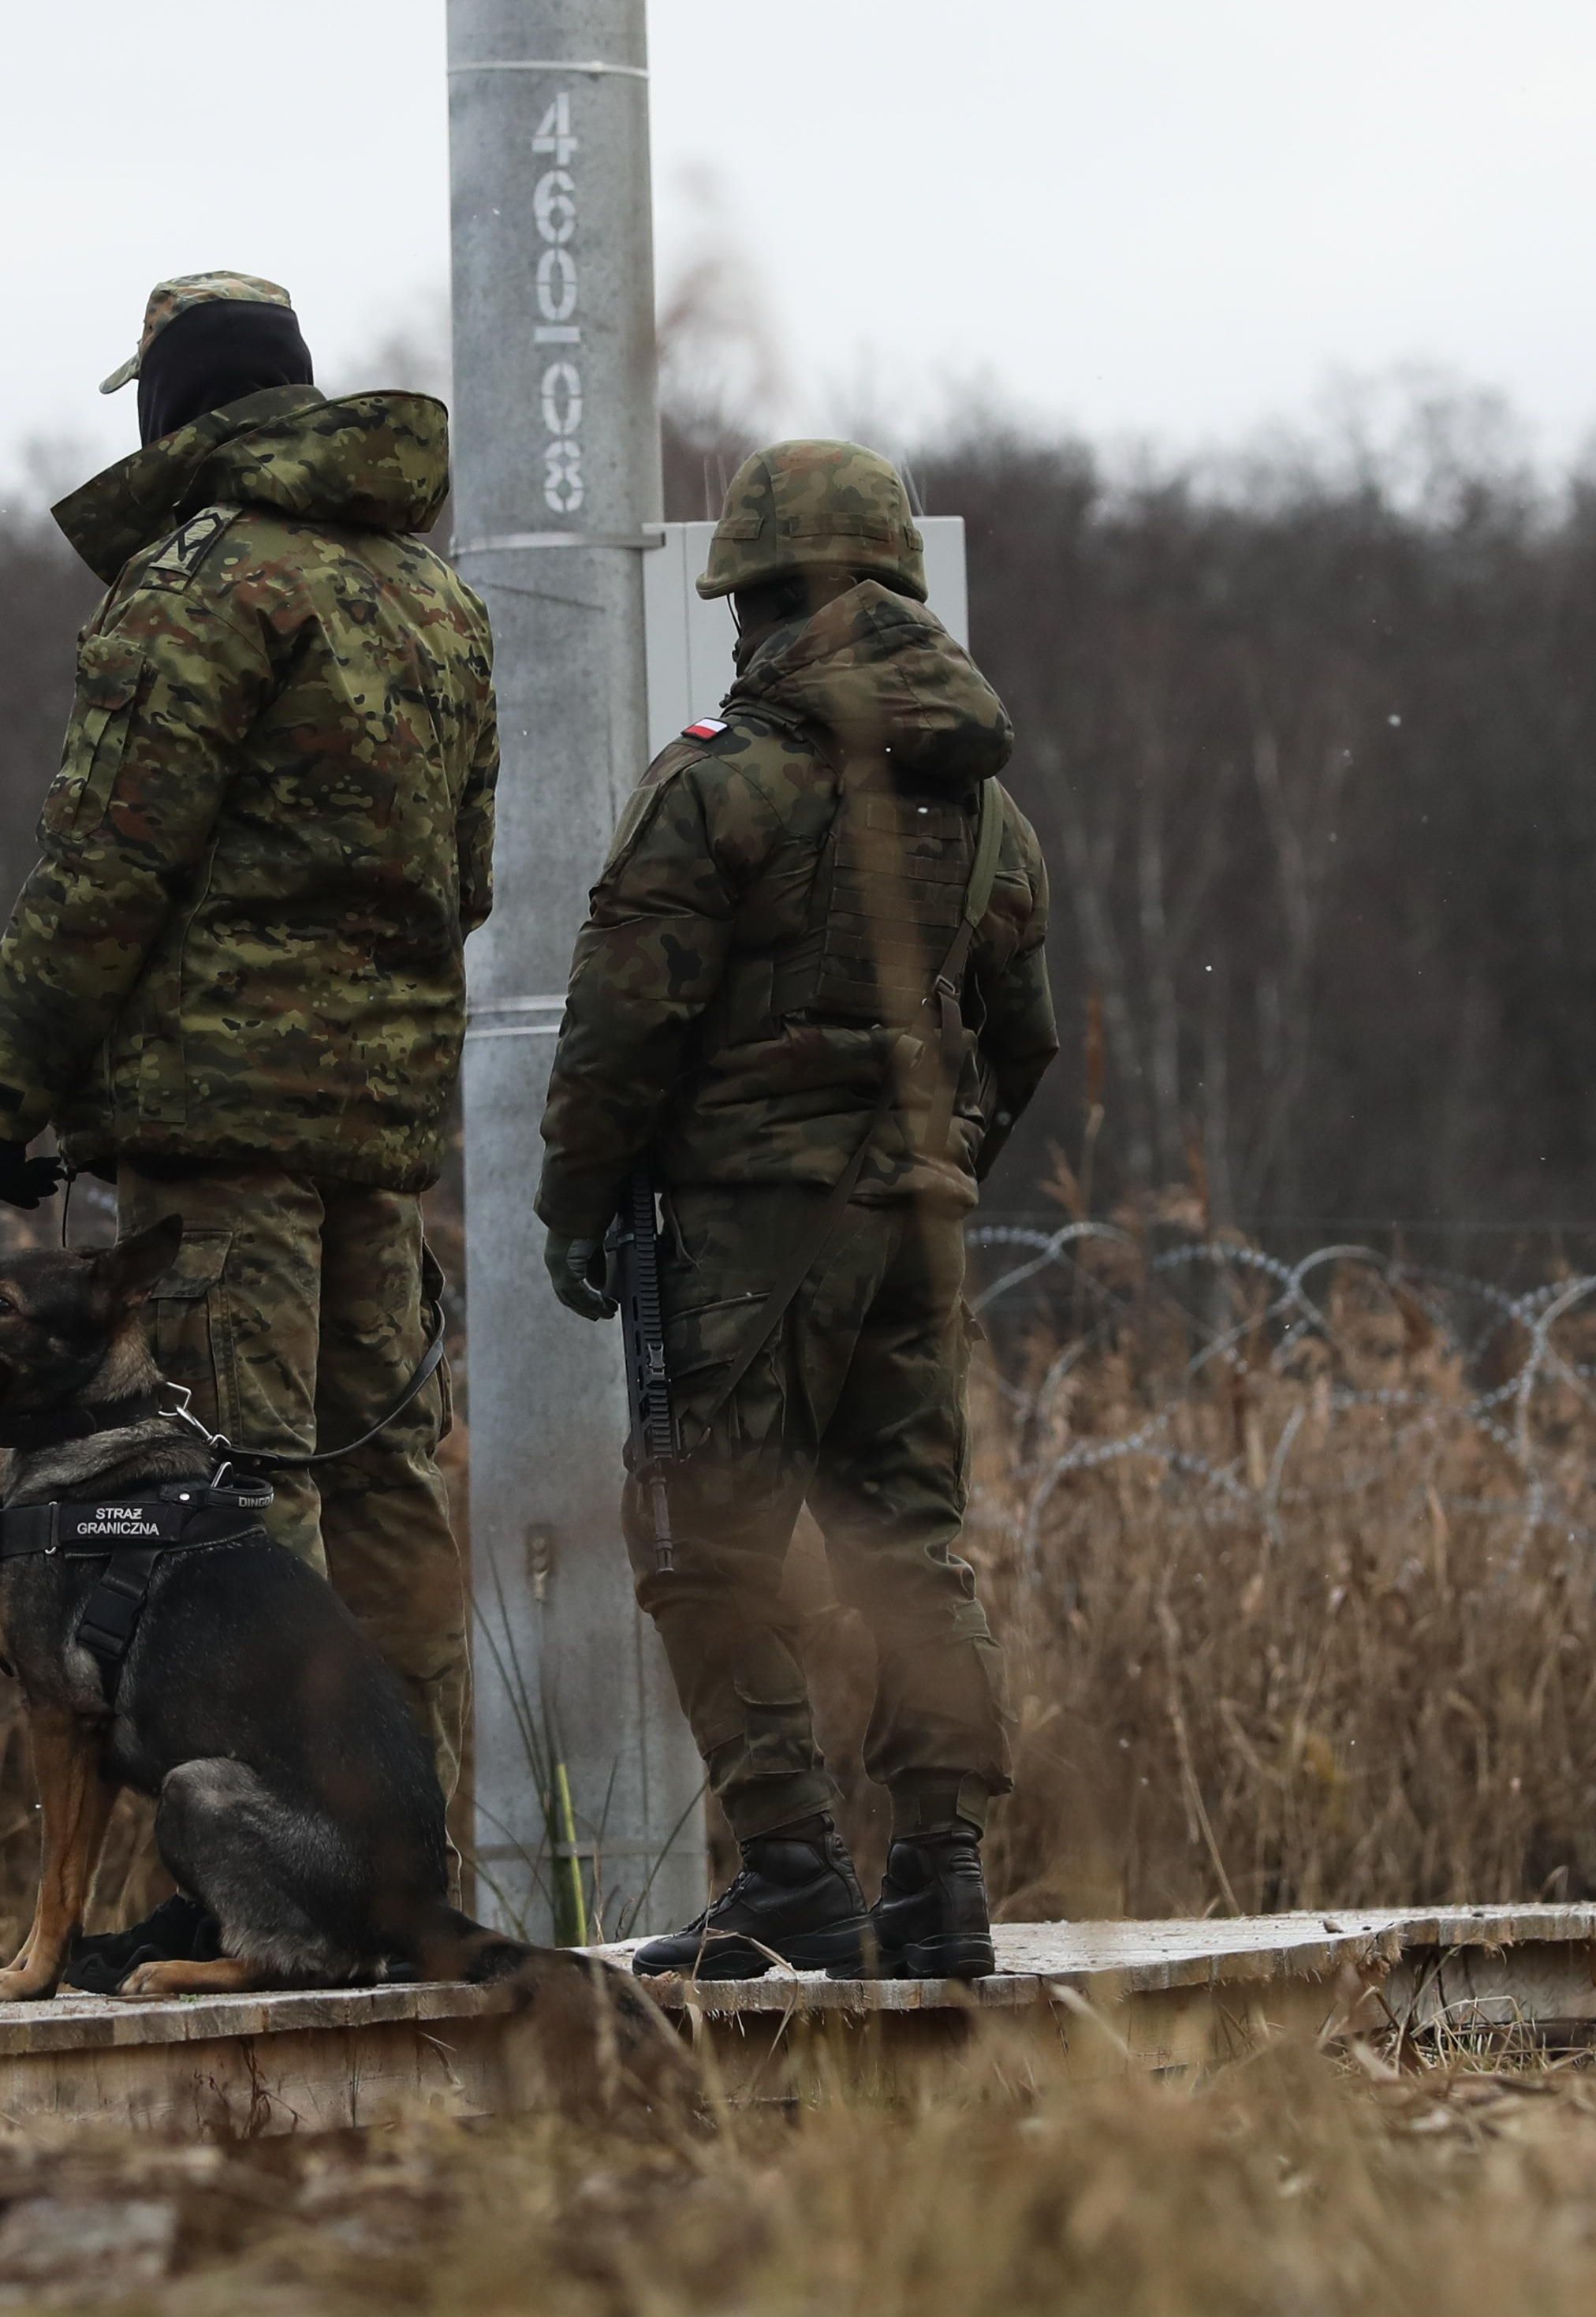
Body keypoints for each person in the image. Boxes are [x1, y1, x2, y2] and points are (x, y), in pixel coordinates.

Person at [0, 273, 494, 1776]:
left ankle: (290, 1869)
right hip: (376, 1130)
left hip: (216, 1129)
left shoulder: (200, 582)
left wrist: (8, 1078)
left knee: (241, 1489)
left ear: (168, 400)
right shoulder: (432, 594)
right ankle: (408, 1862)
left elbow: (110, 864)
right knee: (383, 1481)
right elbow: (469, 875)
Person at [534, 438, 1056, 1980]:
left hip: (745, 1229)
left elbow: (624, 1014)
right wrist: (926, 1153)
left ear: (754, 600)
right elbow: (1018, 1037)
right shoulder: (983, 808)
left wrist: (575, 1201)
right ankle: (941, 1884)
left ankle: (791, 1869)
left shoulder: (719, 776)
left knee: (702, 1532)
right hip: (915, 1226)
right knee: (908, 1545)